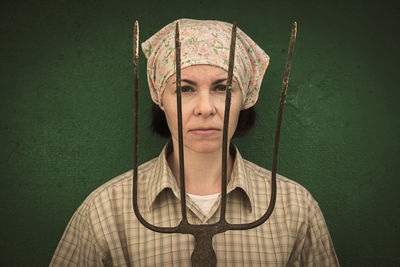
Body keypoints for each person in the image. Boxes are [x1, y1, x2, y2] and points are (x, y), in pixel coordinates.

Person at [50, 18, 339, 266]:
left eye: (223, 88)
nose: (205, 108)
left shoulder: (295, 209)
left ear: (245, 99)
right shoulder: (105, 212)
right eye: (185, 89)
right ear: (159, 99)